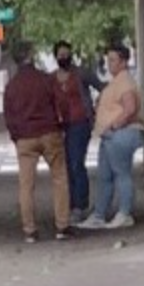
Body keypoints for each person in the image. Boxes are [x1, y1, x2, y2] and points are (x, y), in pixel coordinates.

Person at [1, 41, 72, 243]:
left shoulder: (12, 86)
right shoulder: (46, 80)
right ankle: (62, 226)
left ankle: (30, 230)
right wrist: (62, 125)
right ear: (32, 56)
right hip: (49, 132)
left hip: (25, 137)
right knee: (59, 178)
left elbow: (9, 116)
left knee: (26, 185)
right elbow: (62, 102)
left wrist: (16, 136)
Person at [79, 43, 144, 230]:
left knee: (121, 174)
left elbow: (130, 108)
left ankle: (125, 213)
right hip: (110, 136)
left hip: (121, 133)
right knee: (105, 176)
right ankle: (99, 215)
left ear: (124, 62)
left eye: (113, 60)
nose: (110, 64)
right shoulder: (117, 81)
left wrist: (114, 126)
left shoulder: (125, 81)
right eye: (108, 60)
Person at [51, 40, 102, 222]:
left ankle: (80, 204)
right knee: (65, 166)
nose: (64, 58)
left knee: (76, 163)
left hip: (80, 123)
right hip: (61, 126)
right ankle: (71, 203)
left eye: (67, 54)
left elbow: (101, 87)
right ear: (55, 57)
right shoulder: (52, 79)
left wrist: (97, 109)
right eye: (61, 55)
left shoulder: (81, 73)